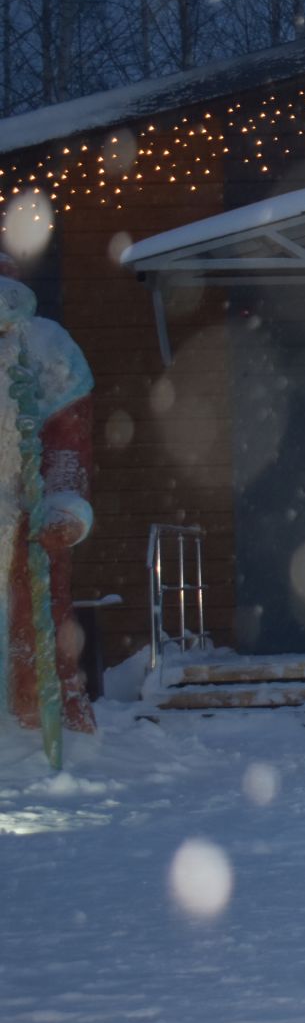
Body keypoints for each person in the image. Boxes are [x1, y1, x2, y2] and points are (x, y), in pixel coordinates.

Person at [0, 255, 95, 753]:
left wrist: (64, 504)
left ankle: (32, 731)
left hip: (21, 518)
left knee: (31, 630)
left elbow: (66, 444)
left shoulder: (45, 348)